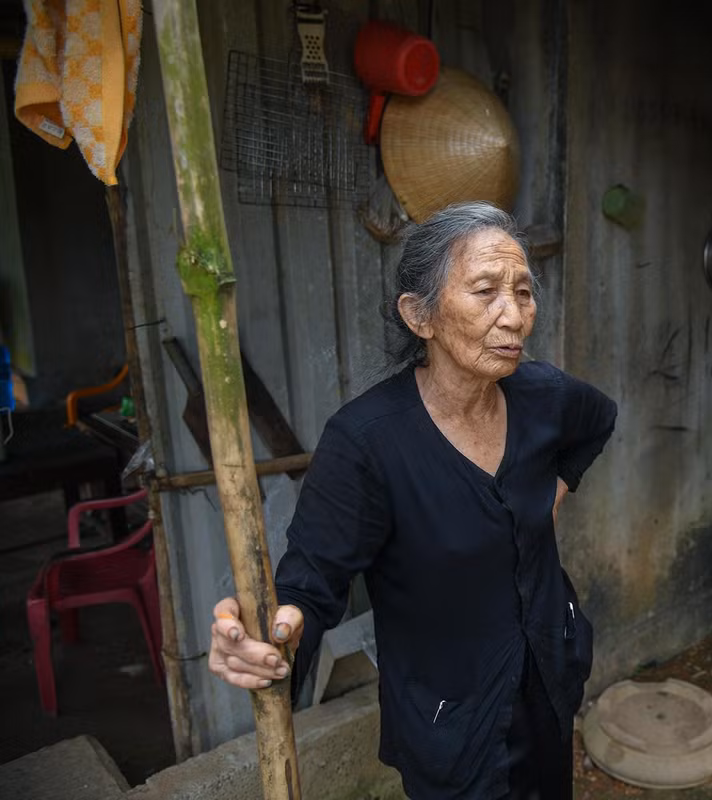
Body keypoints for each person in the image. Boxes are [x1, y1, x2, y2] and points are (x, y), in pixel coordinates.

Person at [206, 202, 618, 799]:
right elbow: (309, 583)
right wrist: (273, 634)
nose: (515, 316)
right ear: (419, 315)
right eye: (485, 291)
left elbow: (598, 420)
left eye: (523, 292)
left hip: (548, 675)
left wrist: (551, 494)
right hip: (450, 719)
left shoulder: (543, 396)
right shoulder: (367, 442)